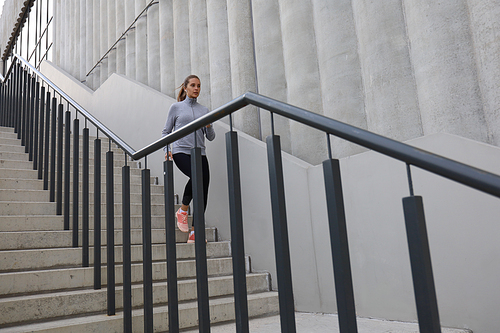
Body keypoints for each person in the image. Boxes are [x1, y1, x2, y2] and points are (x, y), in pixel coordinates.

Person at [161, 75, 215, 243]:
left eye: (198, 85)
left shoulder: (204, 110)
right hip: (180, 151)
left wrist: (209, 125)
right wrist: (166, 149)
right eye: (193, 85)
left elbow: (211, 137)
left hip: (200, 153)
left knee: (203, 190)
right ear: (185, 88)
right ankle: (183, 210)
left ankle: (195, 232)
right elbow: (166, 132)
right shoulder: (176, 107)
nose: (196, 88)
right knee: (196, 177)